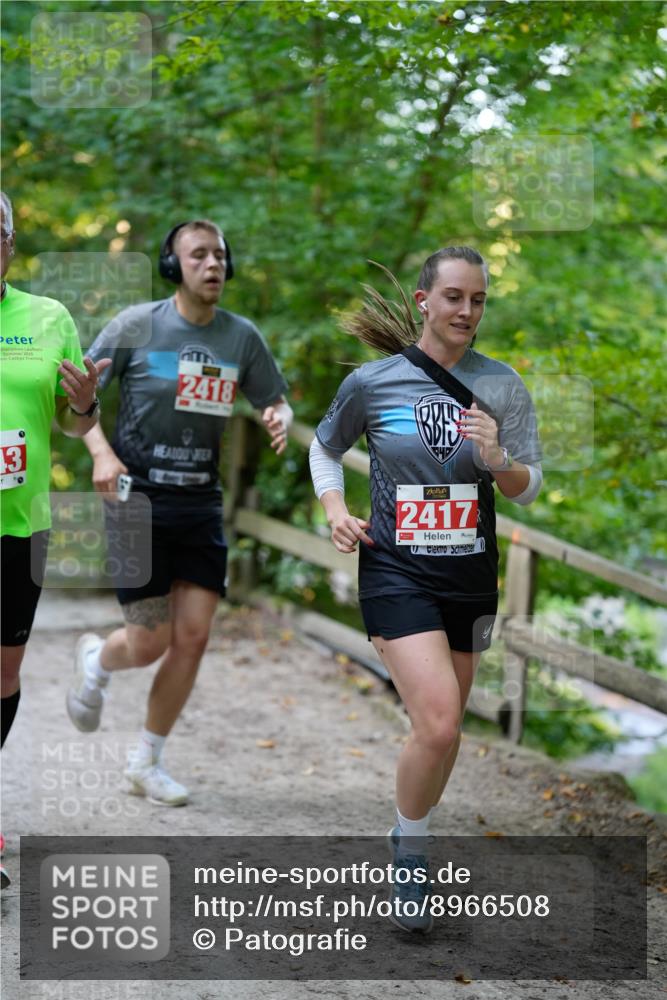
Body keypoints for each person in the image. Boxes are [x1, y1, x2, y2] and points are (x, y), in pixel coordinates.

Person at [309, 247, 542, 931]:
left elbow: (530, 488)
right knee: (438, 720)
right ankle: (411, 855)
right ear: (422, 301)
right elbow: (324, 446)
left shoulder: (500, 386)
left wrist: (499, 462)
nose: (466, 311)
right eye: (453, 297)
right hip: (395, 570)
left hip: (468, 577)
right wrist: (334, 512)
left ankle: (409, 829)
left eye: (477, 300)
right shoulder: (375, 383)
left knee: (442, 733)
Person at [65, 219, 292, 806]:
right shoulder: (136, 326)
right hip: (136, 499)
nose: (212, 264)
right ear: (174, 266)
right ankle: (98, 658)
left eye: (220, 254)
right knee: (148, 641)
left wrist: (278, 418)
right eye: (199, 255)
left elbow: (275, 399)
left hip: (199, 502)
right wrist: (100, 454)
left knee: (192, 638)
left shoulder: (240, 338)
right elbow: (77, 402)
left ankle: (146, 760)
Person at [0, 190, 108, 887]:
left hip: (21, 524)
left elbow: (73, 424)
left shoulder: (48, 318)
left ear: (9, 242)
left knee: (3, 675)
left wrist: (84, 404)